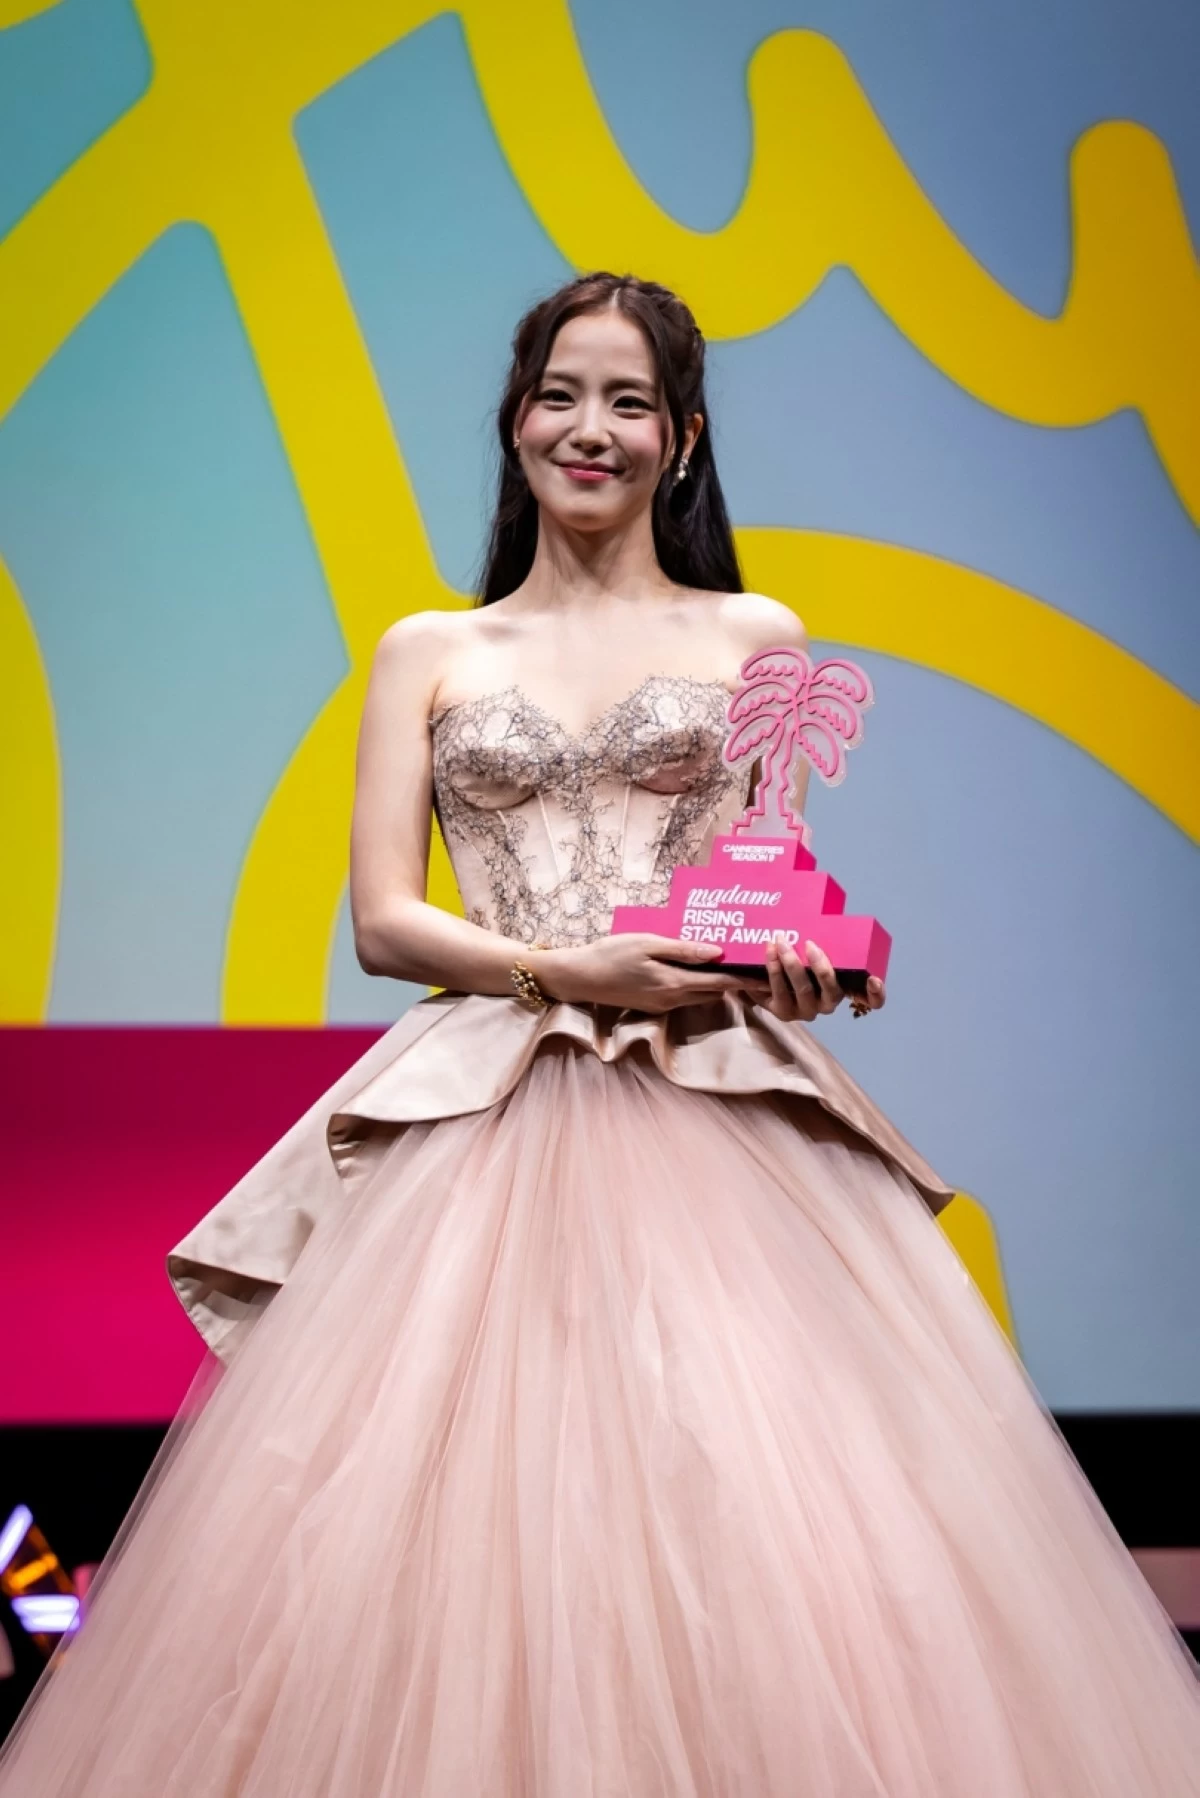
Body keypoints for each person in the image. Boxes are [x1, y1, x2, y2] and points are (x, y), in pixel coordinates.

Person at [2, 272, 1197, 1795]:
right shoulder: (427, 647)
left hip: (717, 1121)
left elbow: (768, 898)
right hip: (487, 1113)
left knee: (773, 1526)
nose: (591, 427)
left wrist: (807, 968)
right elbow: (383, 919)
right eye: (562, 393)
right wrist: (573, 975)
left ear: (683, 440)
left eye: (631, 400)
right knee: (442, 1547)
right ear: (514, 423)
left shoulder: (756, 629)